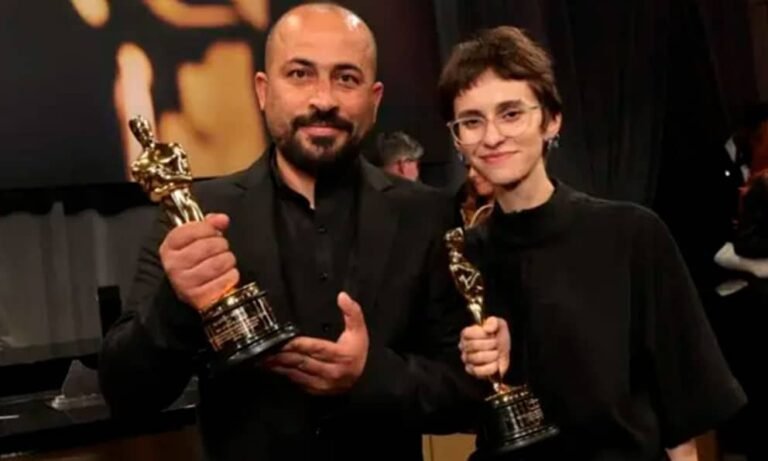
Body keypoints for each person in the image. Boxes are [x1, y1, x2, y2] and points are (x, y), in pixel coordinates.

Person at [98, 4, 480, 461]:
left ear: (374, 99)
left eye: (346, 78)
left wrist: (371, 374)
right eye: (300, 74)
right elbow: (126, 395)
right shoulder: (197, 217)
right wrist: (175, 303)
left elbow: (469, 391)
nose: (323, 99)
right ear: (263, 90)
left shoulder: (428, 215)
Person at [438, 26, 747, 460]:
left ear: (551, 120)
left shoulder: (631, 235)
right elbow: (449, 404)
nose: (491, 137)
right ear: (457, 137)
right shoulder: (461, 257)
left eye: (511, 114)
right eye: (472, 121)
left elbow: (682, 407)